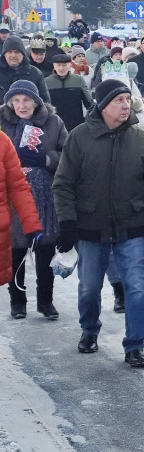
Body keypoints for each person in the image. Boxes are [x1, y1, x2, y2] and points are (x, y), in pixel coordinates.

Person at [52, 79, 144, 368]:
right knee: (89, 287)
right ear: (102, 105)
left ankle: (135, 346)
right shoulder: (79, 137)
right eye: (119, 100)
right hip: (90, 228)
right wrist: (67, 223)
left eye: (128, 99)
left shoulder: (140, 138)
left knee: (136, 288)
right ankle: (89, 330)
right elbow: (63, 184)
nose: (126, 105)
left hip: (131, 225)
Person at [1, 81, 58, 319]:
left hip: (45, 197)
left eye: (26, 100)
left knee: (45, 250)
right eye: (16, 100)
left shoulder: (54, 123)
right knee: (16, 250)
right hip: (14, 197)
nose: (21, 105)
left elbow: (69, 155)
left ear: (36, 102)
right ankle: (18, 301)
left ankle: (46, 301)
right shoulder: (2, 125)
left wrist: (45, 159)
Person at [44, 54, 94, 132]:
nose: (61, 68)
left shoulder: (78, 80)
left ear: (70, 65)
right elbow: (44, 104)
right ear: (54, 66)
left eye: (64, 65)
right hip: (55, 124)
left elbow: (89, 102)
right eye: (58, 65)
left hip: (76, 124)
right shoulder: (47, 82)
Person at [0, 37, 51, 104]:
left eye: (17, 52)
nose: (13, 55)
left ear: (23, 54)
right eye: (10, 52)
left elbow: (44, 100)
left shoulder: (35, 73)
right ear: (4, 54)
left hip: (29, 113)